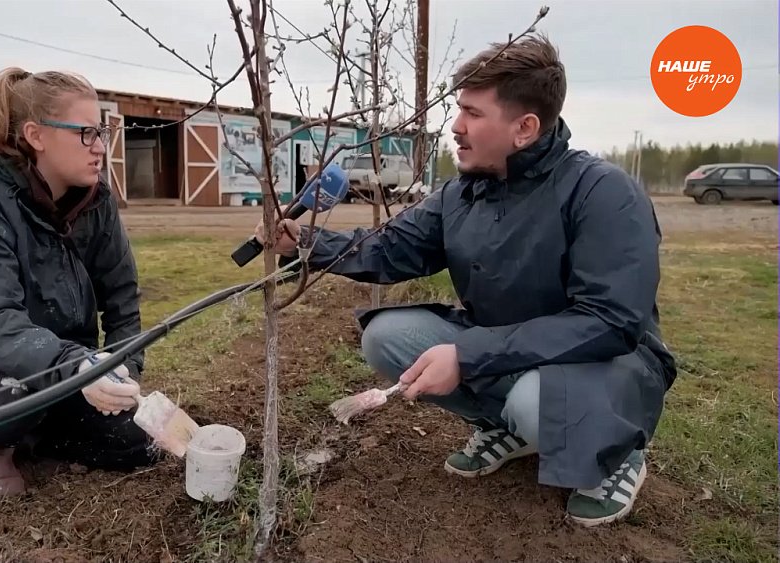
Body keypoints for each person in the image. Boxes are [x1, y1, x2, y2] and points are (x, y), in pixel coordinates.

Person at [256, 35, 676, 527]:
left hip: (606, 363)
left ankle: (616, 451)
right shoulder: (463, 193)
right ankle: (508, 428)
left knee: (533, 400)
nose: (456, 126)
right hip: (511, 351)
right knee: (388, 339)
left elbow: (610, 322)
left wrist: (469, 354)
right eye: (459, 110)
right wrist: (304, 242)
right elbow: (391, 247)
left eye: (473, 113)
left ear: (524, 128)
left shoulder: (602, 193)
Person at [0, 67, 157, 500]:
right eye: (85, 133)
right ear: (36, 135)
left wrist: (120, 368)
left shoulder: (96, 202)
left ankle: (37, 432)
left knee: (138, 440)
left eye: (102, 132)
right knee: (7, 394)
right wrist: (77, 365)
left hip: (59, 362)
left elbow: (121, 296)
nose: (99, 148)